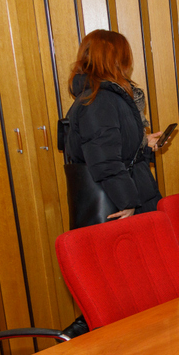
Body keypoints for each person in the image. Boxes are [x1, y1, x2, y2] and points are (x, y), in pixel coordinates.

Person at [64, 29, 162, 221]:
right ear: (115, 60)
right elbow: (105, 160)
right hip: (119, 204)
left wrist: (143, 145)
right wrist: (127, 201)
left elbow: (117, 150)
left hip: (132, 193)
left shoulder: (106, 96)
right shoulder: (99, 100)